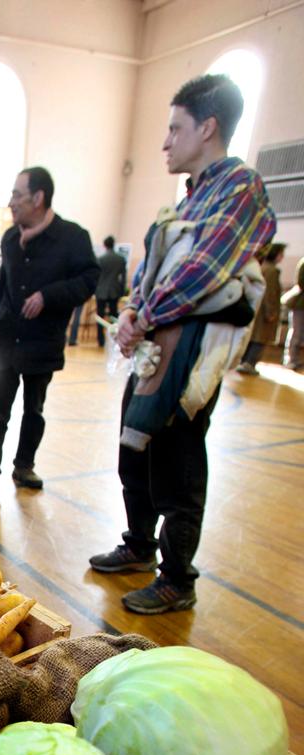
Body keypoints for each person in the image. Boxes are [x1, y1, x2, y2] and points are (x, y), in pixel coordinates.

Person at [89, 73, 276, 614]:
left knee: (178, 461)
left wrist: (140, 317)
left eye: (175, 128)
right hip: (155, 348)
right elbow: (152, 272)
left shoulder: (238, 187)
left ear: (208, 127)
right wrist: (131, 311)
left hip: (189, 358)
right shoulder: (190, 199)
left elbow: (202, 271)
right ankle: (139, 547)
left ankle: (177, 578)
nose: (166, 141)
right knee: (135, 447)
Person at [0, 166, 99, 498]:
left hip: (42, 343)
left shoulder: (73, 238)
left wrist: (49, 296)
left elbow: (89, 280)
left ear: (38, 198)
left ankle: (24, 466)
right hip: (7, 341)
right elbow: (4, 284)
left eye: (17, 195)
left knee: (34, 410)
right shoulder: (10, 238)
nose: (11, 202)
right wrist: (2, 315)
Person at [237, 242, 286, 375]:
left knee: (254, 336)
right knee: (260, 337)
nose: (282, 257)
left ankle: (245, 361)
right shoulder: (272, 271)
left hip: (257, 308)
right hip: (264, 311)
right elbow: (270, 293)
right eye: (281, 254)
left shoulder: (262, 267)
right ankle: (249, 363)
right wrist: (271, 311)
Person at [95, 236, 127, 347]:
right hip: (114, 291)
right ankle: (113, 340)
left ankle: (100, 340)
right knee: (113, 317)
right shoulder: (120, 259)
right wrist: (122, 291)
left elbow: (96, 277)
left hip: (101, 291)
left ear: (105, 245)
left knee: (100, 316)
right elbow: (123, 278)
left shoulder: (101, 259)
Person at [282, 255, 304, 371]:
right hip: (300, 303)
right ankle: (290, 359)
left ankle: (295, 359)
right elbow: (301, 282)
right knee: (296, 332)